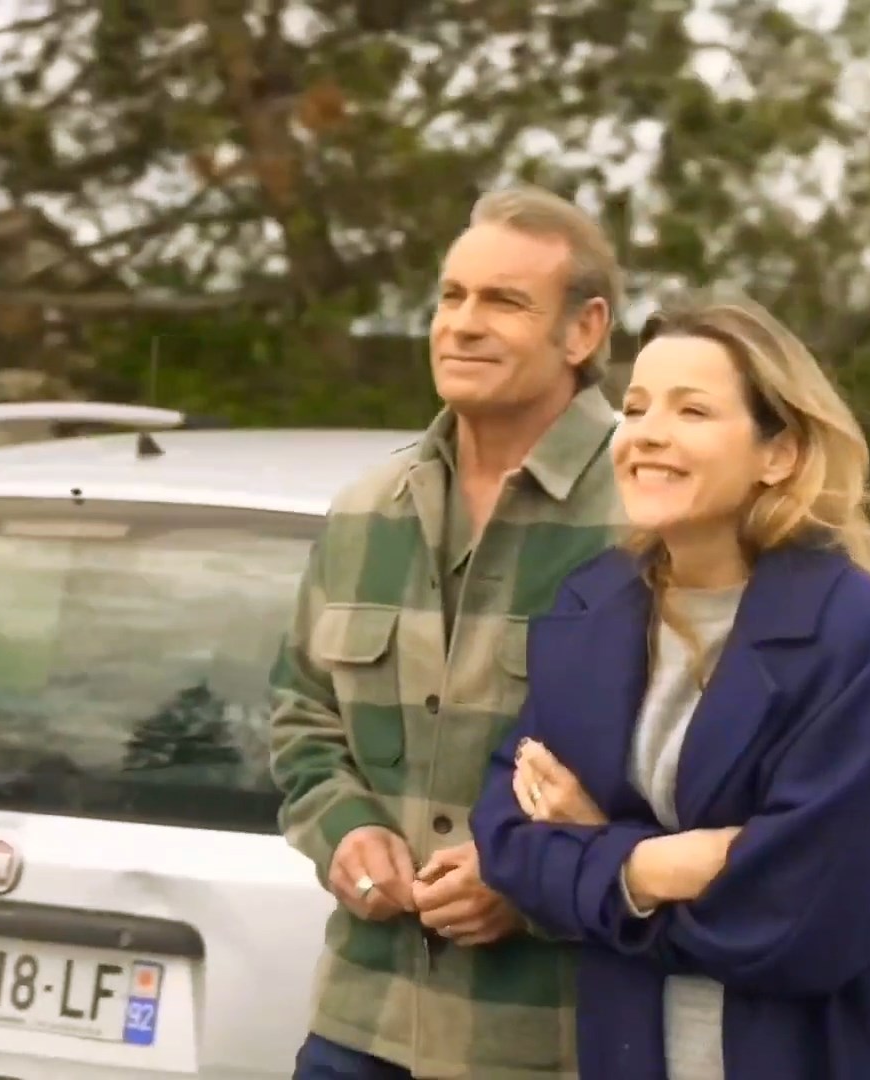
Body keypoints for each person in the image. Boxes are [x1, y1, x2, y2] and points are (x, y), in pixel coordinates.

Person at [469, 292, 870, 1080]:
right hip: (633, 1050)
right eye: (636, 407)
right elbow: (507, 837)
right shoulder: (593, 606)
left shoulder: (849, 629)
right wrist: (648, 868)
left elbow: (801, 919)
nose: (647, 433)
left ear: (779, 454)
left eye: (692, 410)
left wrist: (594, 858)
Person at [267, 184, 629, 1078]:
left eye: (504, 302)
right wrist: (345, 832)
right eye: (451, 297)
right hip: (360, 1025)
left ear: (583, 331)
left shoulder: (650, 517)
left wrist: (532, 882)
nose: (462, 325)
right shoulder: (365, 511)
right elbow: (301, 714)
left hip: (552, 1042)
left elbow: (701, 776)